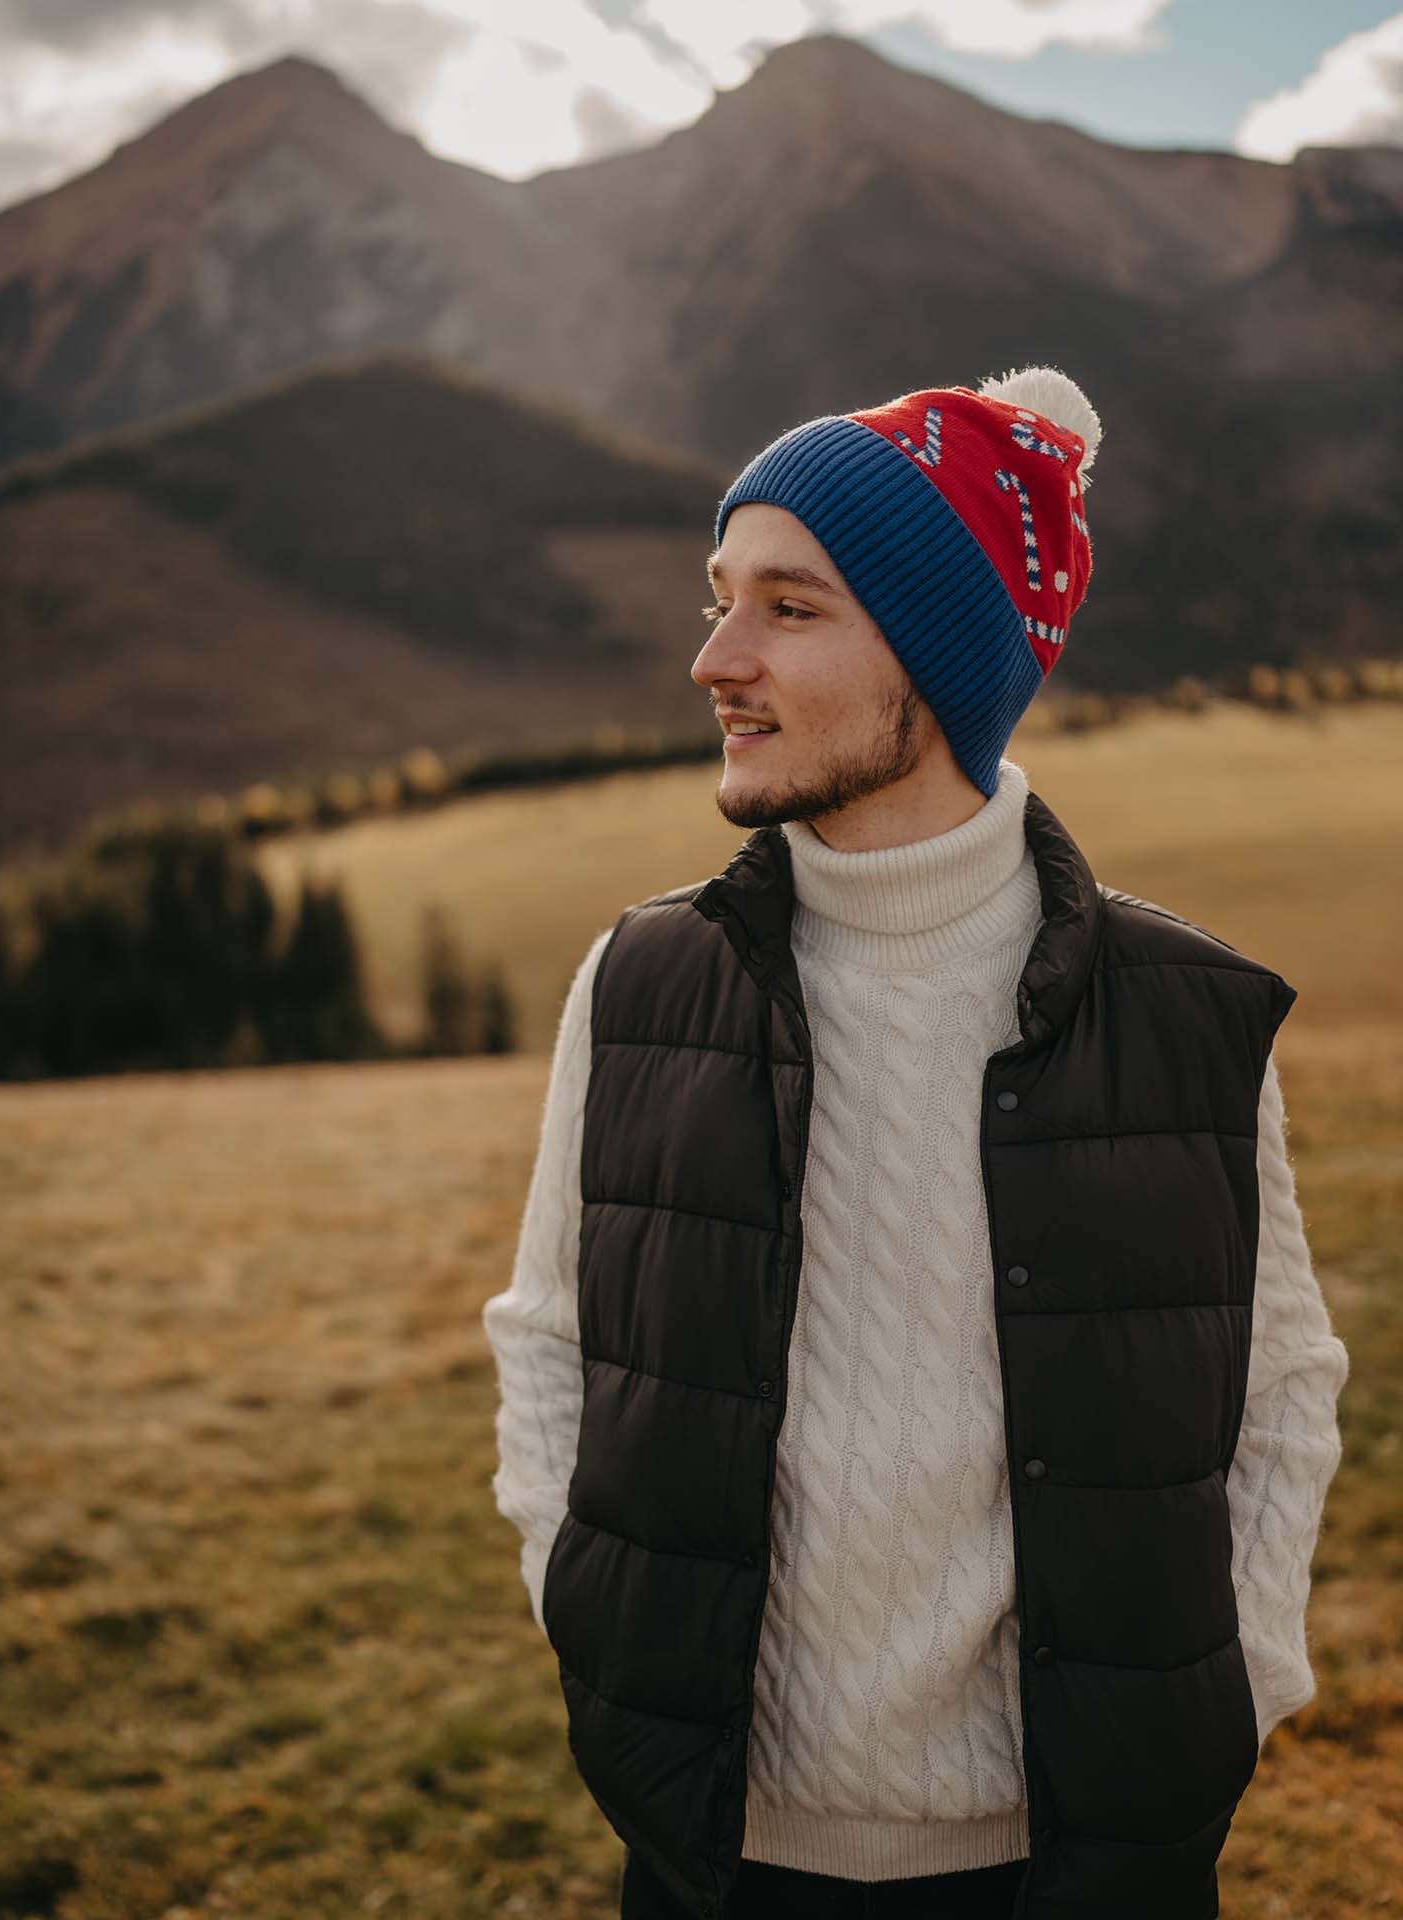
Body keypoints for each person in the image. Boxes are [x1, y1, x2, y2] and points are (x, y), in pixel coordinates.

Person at [481, 366, 1349, 1920]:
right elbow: (551, 1337)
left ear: (942, 660)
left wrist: (1229, 1693)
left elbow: (1275, 1388)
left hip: (1073, 1863)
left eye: (789, 610)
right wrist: (590, 1614)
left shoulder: (1182, 1013)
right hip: (715, 1853)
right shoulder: (642, 981)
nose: (715, 660)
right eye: (718, 600)